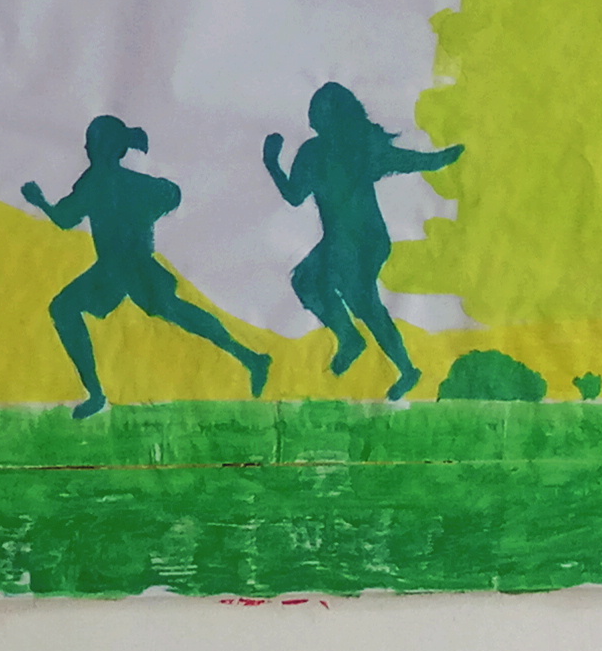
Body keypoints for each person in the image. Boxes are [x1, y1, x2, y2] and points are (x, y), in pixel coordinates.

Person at [24, 114, 270, 418]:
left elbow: (64, 218)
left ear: (102, 147)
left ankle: (251, 359)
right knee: (71, 308)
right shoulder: (119, 182)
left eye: (91, 143)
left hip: (128, 268)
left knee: (174, 313)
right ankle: (250, 358)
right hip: (120, 268)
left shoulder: (96, 182)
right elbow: (169, 195)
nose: (86, 148)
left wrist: (39, 200)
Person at [264, 81, 461, 402]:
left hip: (365, 241)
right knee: (309, 282)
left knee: (362, 303)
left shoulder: (353, 148)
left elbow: (412, 160)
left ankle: (400, 366)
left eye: (318, 111)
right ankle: (356, 342)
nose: (312, 117)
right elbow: (295, 196)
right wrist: (272, 163)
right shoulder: (319, 152)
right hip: (341, 241)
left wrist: (272, 163)